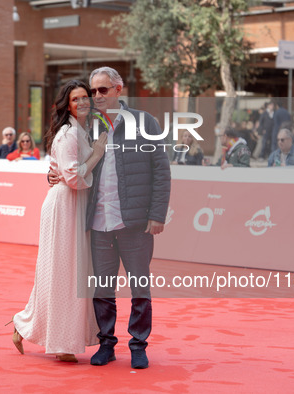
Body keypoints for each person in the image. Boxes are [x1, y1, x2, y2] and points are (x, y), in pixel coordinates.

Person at [10, 80, 108, 363]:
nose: (82, 103)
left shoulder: (82, 131)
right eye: (76, 99)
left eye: (85, 98)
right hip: (64, 205)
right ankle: (59, 341)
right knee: (62, 274)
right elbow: (74, 177)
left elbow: (67, 171)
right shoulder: (68, 134)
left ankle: (35, 328)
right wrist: (97, 154)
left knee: (70, 274)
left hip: (76, 206)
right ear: (67, 104)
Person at [86, 67, 171, 369]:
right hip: (99, 224)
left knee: (140, 288)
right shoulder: (87, 125)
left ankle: (138, 345)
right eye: (93, 91)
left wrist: (157, 214)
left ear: (118, 90)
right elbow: (69, 163)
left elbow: (161, 171)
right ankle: (106, 344)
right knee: (102, 288)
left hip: (135, 223)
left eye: (102, 90)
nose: (96, 96)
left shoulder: (145, 122)